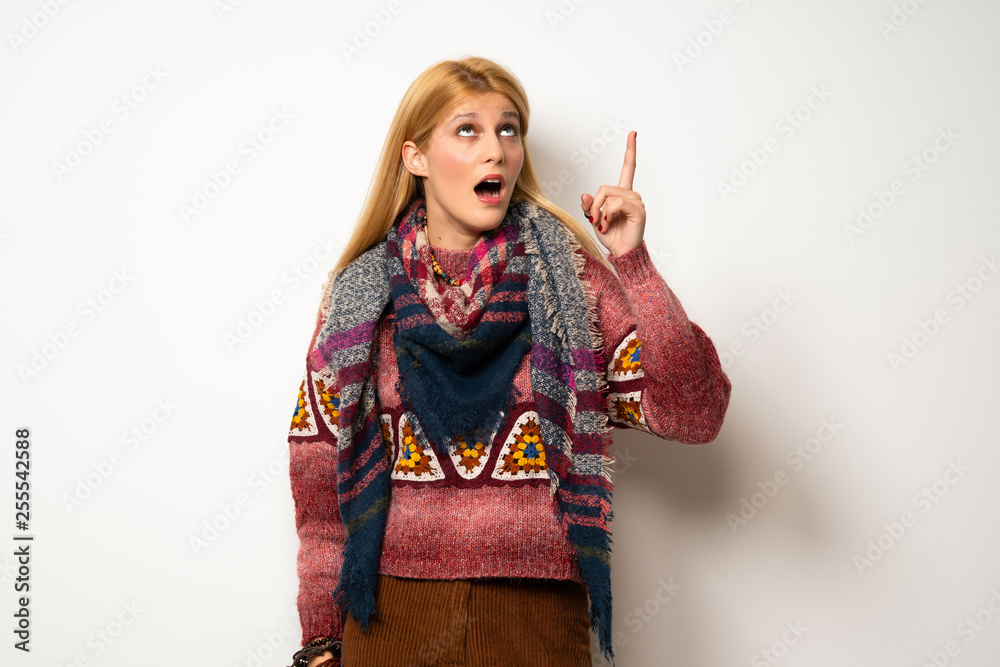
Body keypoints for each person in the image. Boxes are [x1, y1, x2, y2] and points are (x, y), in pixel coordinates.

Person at [285, 56, 731, 667]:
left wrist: (633, 264)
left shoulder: (570, 282)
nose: (495, 149)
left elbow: (693, 413)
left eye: (508, 129)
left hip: (536, 617)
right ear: (415, 157)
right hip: (390, 617)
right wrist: (320, 640)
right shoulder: (362, 295)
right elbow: (318, 476)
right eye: (467, 130)